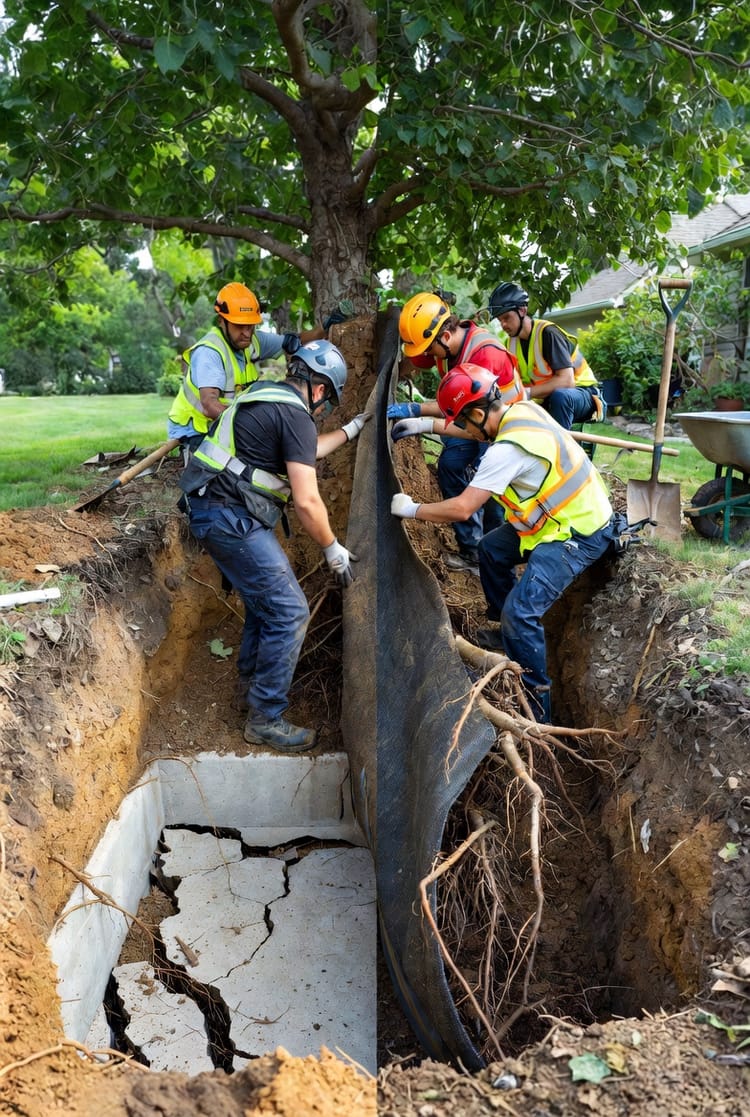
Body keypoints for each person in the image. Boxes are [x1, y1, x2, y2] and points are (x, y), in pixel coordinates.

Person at [390, 363, 618, 723]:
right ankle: (505, 635)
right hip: (564, 516)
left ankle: (537, 713)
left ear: (479, 413)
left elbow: (463, 508)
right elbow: (480, 431)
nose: (464, 430)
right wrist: (425, 425)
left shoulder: (506, 451)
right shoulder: (521, 411)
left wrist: (412, 509)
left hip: (580, 531)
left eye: (463, 422)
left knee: (521, 613)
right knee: (491, 550)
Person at [177, 340, 368, 753]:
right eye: (327, 403)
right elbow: (307, 501)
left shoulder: (267, 396)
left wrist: (350, 431)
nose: (323, 410)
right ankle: (264, 717)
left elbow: (306, 449)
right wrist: (332, 547)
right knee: (290, 611)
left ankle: (249, 689)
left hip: (212, 507)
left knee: (265, 604)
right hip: (229, 517)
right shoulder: (295, 415)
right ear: (319, 389)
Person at [389, 290, 525, 574]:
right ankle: (472, 551)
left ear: (446, 336)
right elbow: (416, 360)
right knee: (451, 465)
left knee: (489, 486)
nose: (429, 355)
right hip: (473, 418)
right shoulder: (443, 345)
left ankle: (495, 556)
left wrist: (416, 410)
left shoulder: (485, 354)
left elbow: (465, 407)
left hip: (504, 427)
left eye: (430, 349)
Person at [168, 281, 341, 451]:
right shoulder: (210, 352)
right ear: (222, 321)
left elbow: (294, 341)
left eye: (250, 326)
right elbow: (209, 406)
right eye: (239, 326)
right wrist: (253, 424)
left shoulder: (253, 341)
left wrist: (323, 328)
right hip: (197, 430)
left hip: (226, 423)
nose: (246, 333)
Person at [487, 282, 605, 431]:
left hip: (584, 394)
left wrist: (526, 393)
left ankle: (560, 444)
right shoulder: (510, 344)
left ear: (522, 310)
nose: (503, 325)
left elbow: (567, 382)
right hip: (548, 398)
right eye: (500, 320)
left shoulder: (548, 333)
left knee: (560, 397)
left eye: (506, 318)